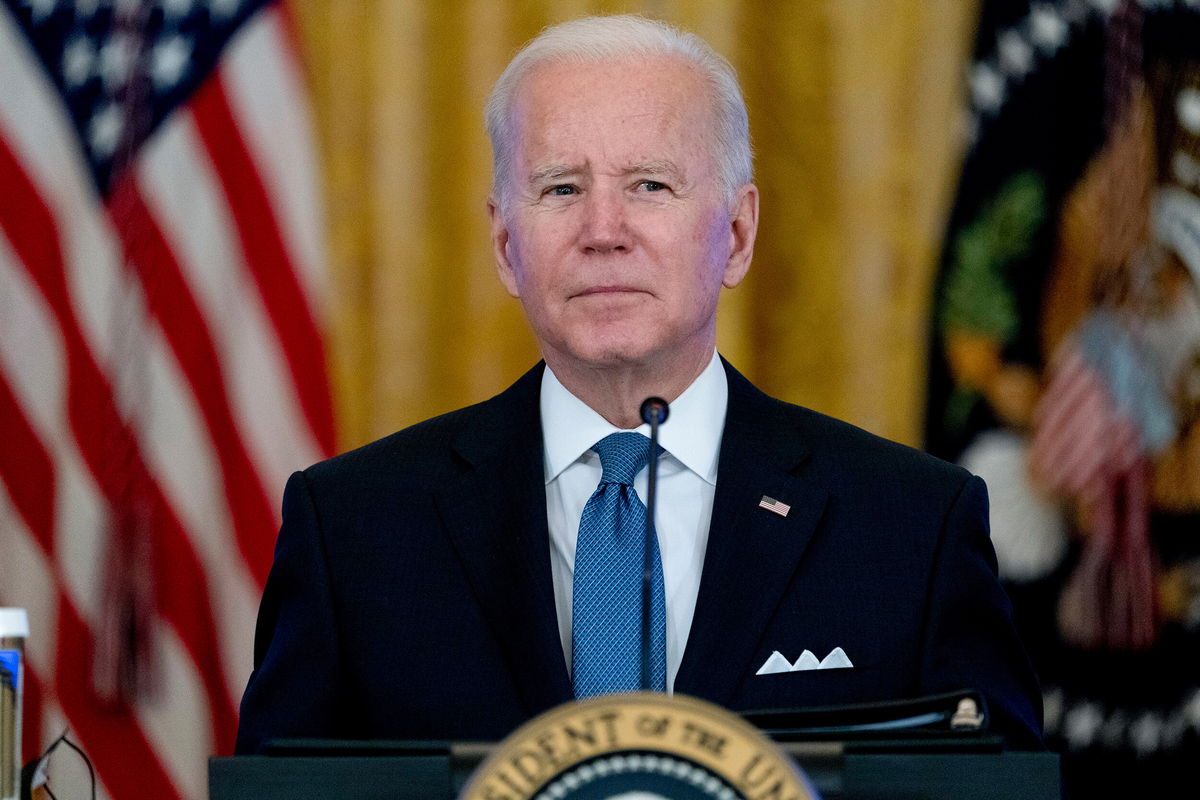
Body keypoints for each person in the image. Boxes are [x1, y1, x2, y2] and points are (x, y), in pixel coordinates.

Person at [235, 14, 1042, 753]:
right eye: (561, 188)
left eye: (650, 185)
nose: (603, 231)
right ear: (505, 241)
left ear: (736, 232)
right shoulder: (353, 531)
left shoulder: (911, 528)